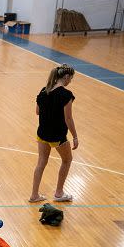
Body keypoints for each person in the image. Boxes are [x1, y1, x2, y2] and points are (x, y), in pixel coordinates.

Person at [29, 64, 78, 203]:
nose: (70, 82)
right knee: (67, 160)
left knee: (41, 162)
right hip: (57, 135)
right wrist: (75, 136)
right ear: (66, 77)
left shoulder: (44, 91)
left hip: (42, 133)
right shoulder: (66, 95)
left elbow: (37, 111)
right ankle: (59, 193)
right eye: (71, 78)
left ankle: (34, 195)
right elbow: (68, 119)